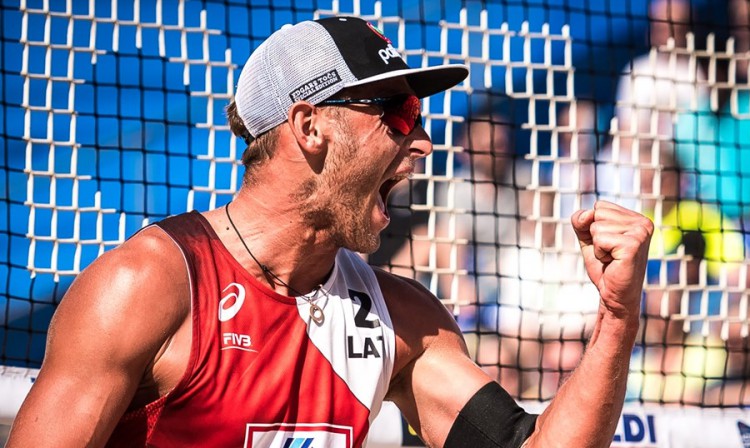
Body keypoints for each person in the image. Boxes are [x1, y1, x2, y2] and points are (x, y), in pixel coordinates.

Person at [7, 16, 654, 448]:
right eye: (397, 115)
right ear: (310, 126)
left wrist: (618, 316)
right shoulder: (148, 284)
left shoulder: (399, 318)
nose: (424, 141)